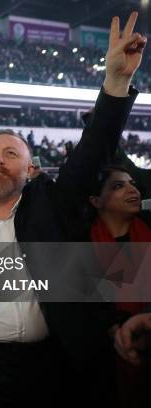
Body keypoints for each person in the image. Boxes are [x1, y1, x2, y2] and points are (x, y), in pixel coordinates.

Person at [0, 12, 145, 408]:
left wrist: (116, 83)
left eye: (10, 154)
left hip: (53, 365)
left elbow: (91, 153)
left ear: (31, 169)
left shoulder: (52, 204)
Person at [88, 165, 151, 408]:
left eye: (132, 183)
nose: (131, 189)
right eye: (118, 185)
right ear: (96, 200)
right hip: (102, 368)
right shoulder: (82, 243)